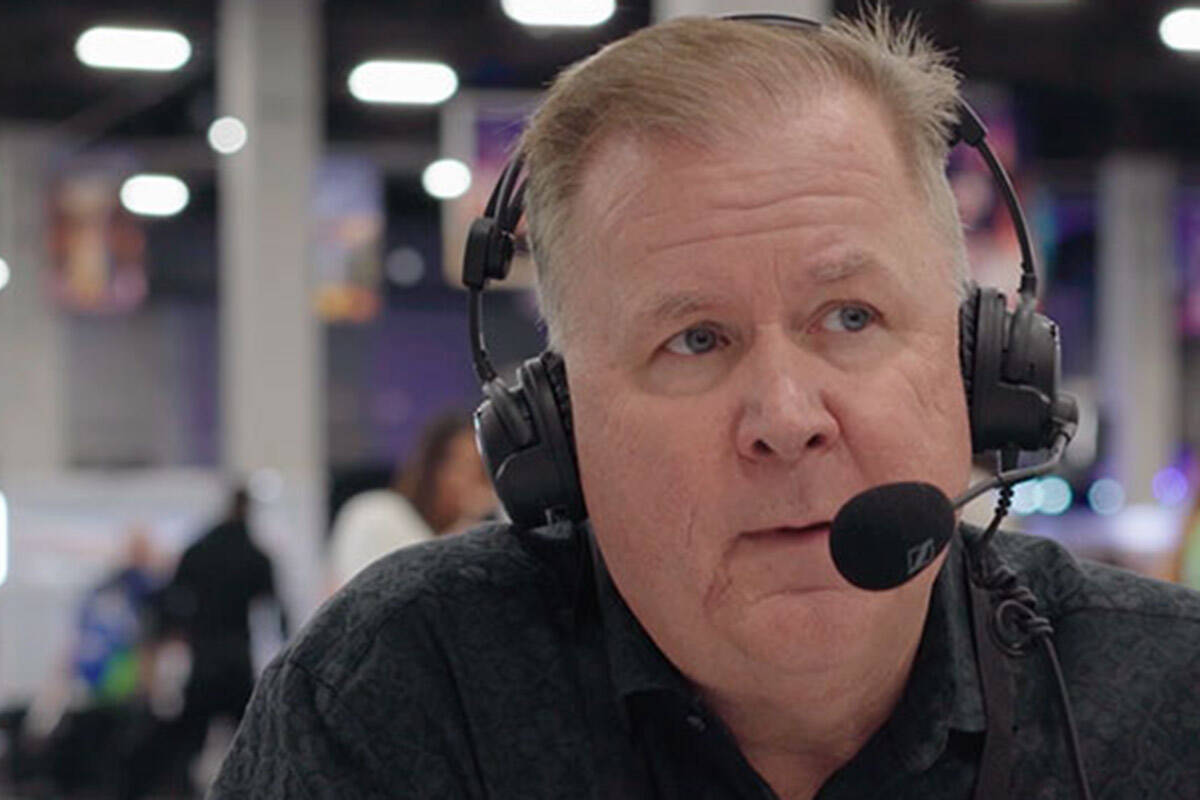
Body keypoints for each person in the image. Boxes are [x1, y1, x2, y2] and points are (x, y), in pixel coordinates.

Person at [213, 10, 1200, 799]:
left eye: (850, 316)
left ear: (978, 367)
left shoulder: (1165, 695)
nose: (784, 414)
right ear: (556, 427)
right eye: (694, 339)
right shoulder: (401, 694)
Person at [123, 486, 286, 798]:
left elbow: (169, 606)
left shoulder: (199, 550)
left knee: (188, 745)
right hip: (238, 661)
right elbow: (278, 611)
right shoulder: (255, 554)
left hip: (203, 660)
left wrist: (162, 649)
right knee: (251, 742)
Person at [327, 413, 499, 588]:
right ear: (432, 467)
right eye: (461, 466)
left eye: (480, 471)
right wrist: (469, 525)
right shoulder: (376, 514)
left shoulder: (479, 528)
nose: (469, 480)